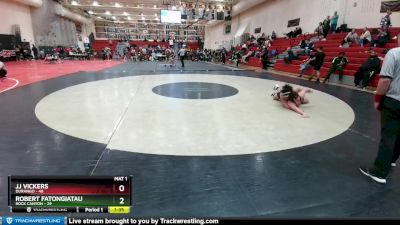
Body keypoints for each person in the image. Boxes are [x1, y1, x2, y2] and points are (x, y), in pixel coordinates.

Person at [359, 33, 400, 184]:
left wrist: (377, 99)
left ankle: (380, 172)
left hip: (394, 101)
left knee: (388, 136)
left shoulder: (394, 53)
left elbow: (384, 81)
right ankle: (392, 160)